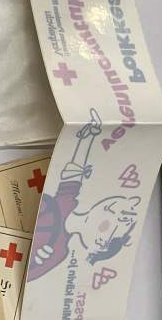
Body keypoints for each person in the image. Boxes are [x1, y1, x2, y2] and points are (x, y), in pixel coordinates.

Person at [28, 108, 139, 281]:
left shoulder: (57, 251)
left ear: (99, 244)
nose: (109, 208)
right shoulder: (68, 201)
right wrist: (90, 134)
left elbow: (25, 277)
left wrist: (34, 261)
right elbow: (75, 170)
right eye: (113, 208)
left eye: (117, 220)